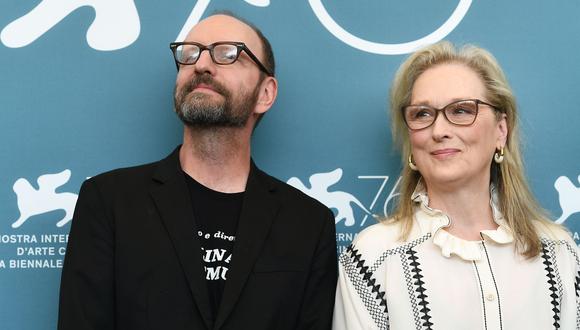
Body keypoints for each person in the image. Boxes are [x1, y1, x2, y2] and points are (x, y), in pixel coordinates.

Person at [58, 13, 337, 330]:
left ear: (266, 93)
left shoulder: (309, 223)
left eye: (228, 53)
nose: (202, 65)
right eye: (190, 53)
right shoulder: (109, 202)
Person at [333, 41, 579, 329]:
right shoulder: (373, 257)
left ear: (502, 130)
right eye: (422, 114)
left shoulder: (560, 252)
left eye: (462, 111)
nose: (439, 131)